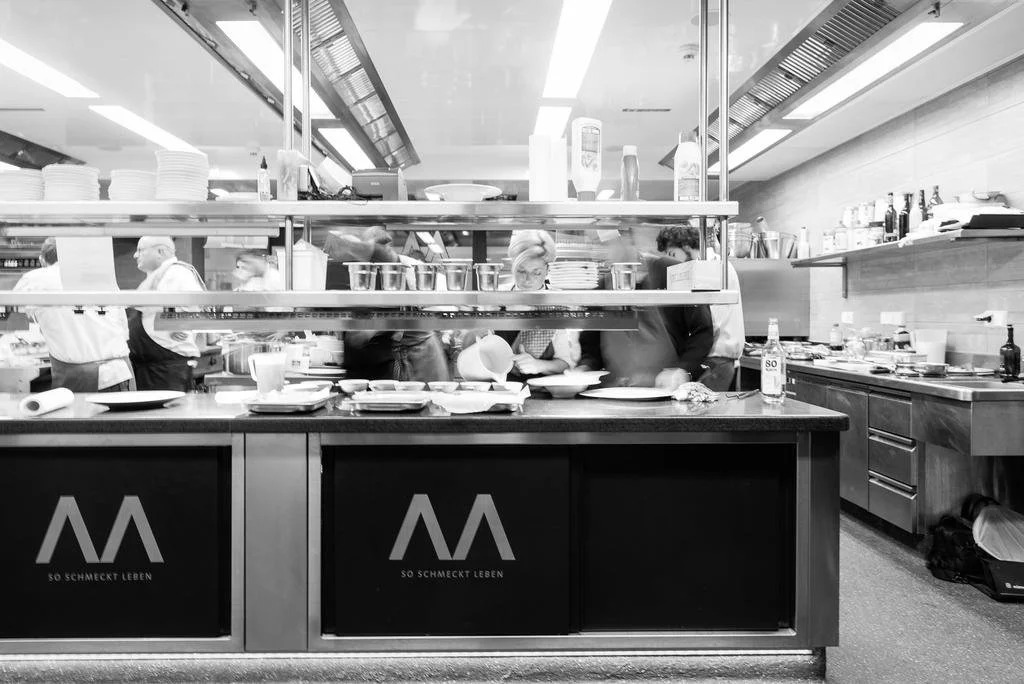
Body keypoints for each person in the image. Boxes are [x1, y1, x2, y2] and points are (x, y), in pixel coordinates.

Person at [576, 235, 713, 387]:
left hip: (668, 390)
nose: (607, 251)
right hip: (615, 391)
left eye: (610, 244)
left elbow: (702, 330)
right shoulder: (602, 288)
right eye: (603, 246)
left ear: (630, 240)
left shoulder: (671, 272)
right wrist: (584, 368)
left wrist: (683, 369)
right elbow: (591, 347)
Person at [324, 229, 450, 382]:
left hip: (419, 357)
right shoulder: (362, 273)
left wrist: (373, 328)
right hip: (379, 360)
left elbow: (410, 315)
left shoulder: (408, 269)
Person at [12, 238, 134, 392]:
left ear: (42, 260)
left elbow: (11, 317)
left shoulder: (34, 279)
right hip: (119, 374)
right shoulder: (102, 277)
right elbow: (123, 331)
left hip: (80, 378)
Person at [656, 225, 745, 391]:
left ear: (686, 246)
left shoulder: (707, 267)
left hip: (715, 360)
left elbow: (704, 326)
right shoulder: (716, 263)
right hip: (718, 359)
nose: (673, 264)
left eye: (672, 254)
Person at [128, 236, 205, 391]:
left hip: (167, 368)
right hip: (153, 367)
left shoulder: (177, 272)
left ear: (160, 251)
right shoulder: (159, 275)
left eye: (140, 250)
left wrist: (177, 325)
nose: (135, 255)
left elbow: (197, 307)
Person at [503, 230, 580, 377]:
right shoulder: (496, 300)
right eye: (521, 271)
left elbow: (566, 363)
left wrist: (538, 365)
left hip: (547, 388)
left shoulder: (559, 305)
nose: (528, 279)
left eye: (536, 272)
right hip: (502, 387)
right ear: (512, 266)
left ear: (547, 270)